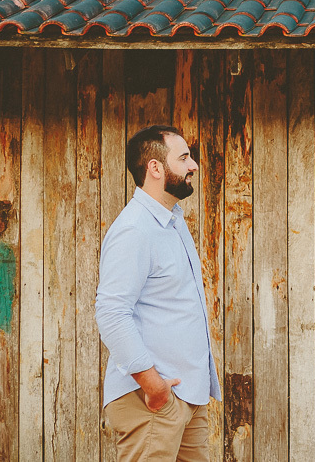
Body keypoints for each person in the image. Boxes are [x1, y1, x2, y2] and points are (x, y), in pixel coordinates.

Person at [96, 125, 221, 461]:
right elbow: (111, 312)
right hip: (152, 401)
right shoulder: (135, 228)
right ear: (155, 168)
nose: (193, 165)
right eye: (183, 158)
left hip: (186, 397)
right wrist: (153, 386)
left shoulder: (171, 221)